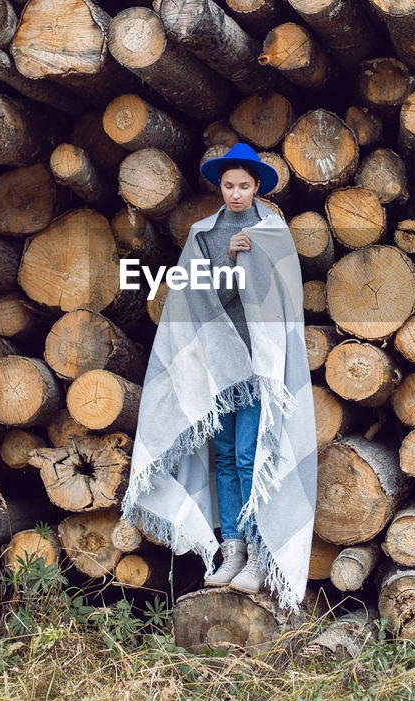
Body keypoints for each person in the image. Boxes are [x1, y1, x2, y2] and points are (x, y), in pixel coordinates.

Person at [121, 143, 317, 611]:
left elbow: (281, 301)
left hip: (259, 368)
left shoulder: (273, 233)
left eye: (244, 186)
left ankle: (257, 553)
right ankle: (231, 548)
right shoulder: (203, 235)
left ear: (256, 187)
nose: (235, 193)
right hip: (215, 367)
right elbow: (194, 298)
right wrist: (227, 263)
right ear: (219, 187)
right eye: (228, 186)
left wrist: (250, 265)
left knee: (252, 455)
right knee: (225, 457)